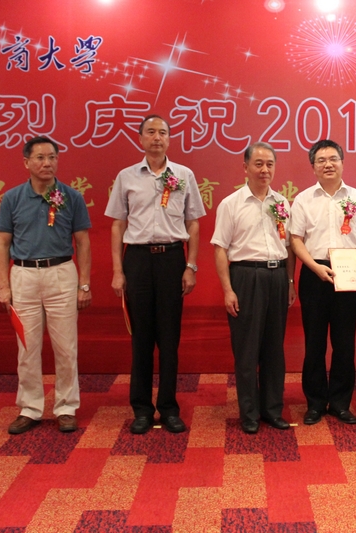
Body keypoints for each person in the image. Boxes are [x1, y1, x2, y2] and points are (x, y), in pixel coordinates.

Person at [105, 115, 205, 434]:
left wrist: (190, 266)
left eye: (163, 132)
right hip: (136, 260)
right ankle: (142, 410)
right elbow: (118, 224)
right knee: (142, 339)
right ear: (140, 138)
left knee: (170, 339)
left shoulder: (184, 175)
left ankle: (169, 408)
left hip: (172, 259)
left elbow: (193, 224)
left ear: (169, 139)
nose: (157, 137)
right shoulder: (126, 177)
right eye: (150, 132)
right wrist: (118, 270)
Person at [0, 135, 92, 435]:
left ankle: (66, 407)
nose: (47, 163)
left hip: (61, 273)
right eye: (40, 157)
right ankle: (30, 408)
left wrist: (84, 284)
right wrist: (3, 285)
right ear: (27, 162)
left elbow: (83, 242)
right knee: (27, 347)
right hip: (23, 276)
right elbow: (2, 243)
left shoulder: (71, 196)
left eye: (52, 157)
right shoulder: (12, 198)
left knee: (66, 348)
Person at [290, 139, 356, 426]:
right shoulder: (303, 199)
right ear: (313, 166)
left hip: (348, 275)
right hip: (314, 274)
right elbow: (296, 240)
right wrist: (315, 267)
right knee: (314, 343)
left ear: (342, 163)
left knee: (344, 343)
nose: (328, 164)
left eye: (333, 159)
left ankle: (341, 403)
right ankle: (315, 403)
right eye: (321, 160)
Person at [212, 142, 297, 434]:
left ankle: (272, 409)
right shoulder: (231, 204)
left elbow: (290, 247)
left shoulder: (282, 202)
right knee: (247, 349)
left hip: (277, 277)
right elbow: (220, 249)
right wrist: (228, 289)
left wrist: (290, 281)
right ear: (245, 167)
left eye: (269, 164)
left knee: (274, 349)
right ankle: (249, 413)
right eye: (258, 164)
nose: (264, 170)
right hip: (246, 277)